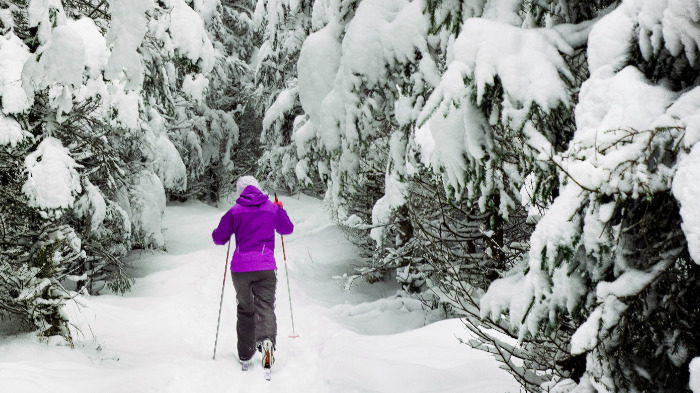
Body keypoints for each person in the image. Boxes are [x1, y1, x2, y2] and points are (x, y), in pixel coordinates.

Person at [211, 176, 294, 369]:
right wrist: (280, 210)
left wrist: (223, 230)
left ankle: (245, 354)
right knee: (265, 306)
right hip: (265, 267)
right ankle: (266, 342)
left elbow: (218, 238)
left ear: (241, 192)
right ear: (258, 188)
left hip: (240, 269)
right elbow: (286, 228)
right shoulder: (271, 208)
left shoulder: (234, 211)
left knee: (245, 309)